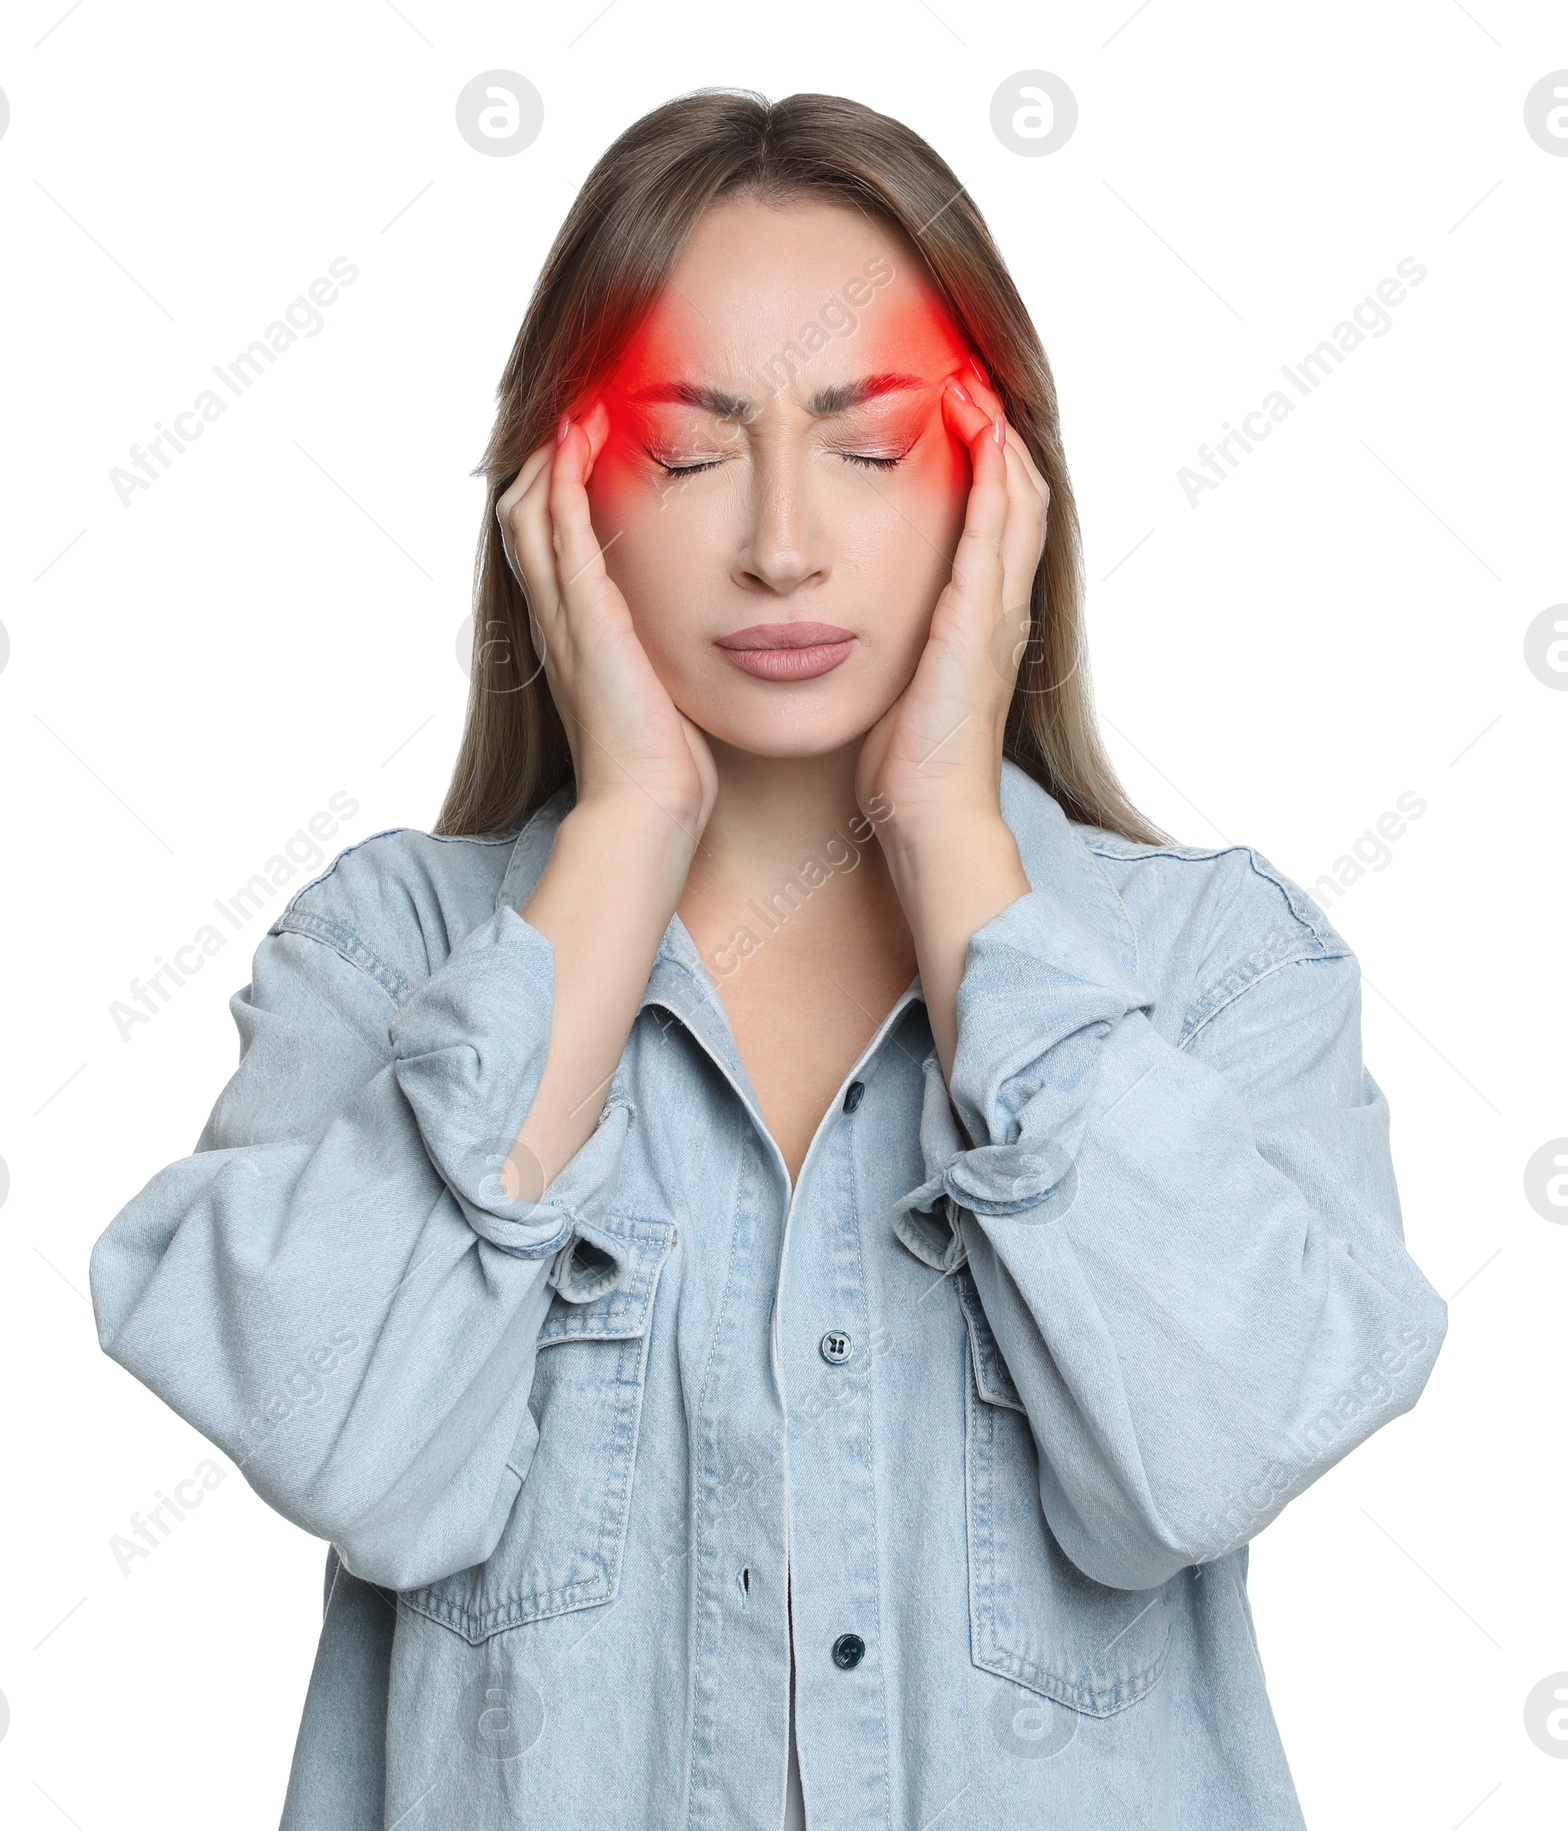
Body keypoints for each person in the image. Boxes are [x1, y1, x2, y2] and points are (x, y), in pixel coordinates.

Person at [90, 89, 1448, 1830]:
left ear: (1000, 484)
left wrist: (956, 832)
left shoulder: (1214, 970)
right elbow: (350, 1448)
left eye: (873, 447)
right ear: (558, 495)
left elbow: (1205, 1459)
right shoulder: (385, 954)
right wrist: (629, 824)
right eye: (688, 449)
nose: (785, 540)